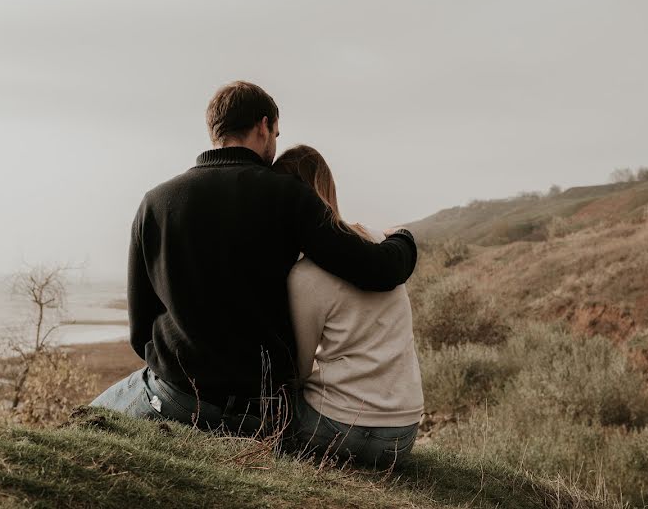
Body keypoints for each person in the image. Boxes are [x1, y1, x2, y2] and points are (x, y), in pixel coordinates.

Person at [91, 81, 418, 435]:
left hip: (179, 397)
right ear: (263, 126)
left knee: (87, 419)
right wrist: (403, 238)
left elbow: (141, 327)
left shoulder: (154, 202)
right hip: (260, 410)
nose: (275, 145)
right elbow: (377, 270)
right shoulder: (290, 196)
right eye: (276, 133)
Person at [275, 145, 423, 468]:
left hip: (336, 430)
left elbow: (299, 372)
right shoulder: (377, 243)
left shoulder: (304, 276)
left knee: (268, 406)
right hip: (403, 434)